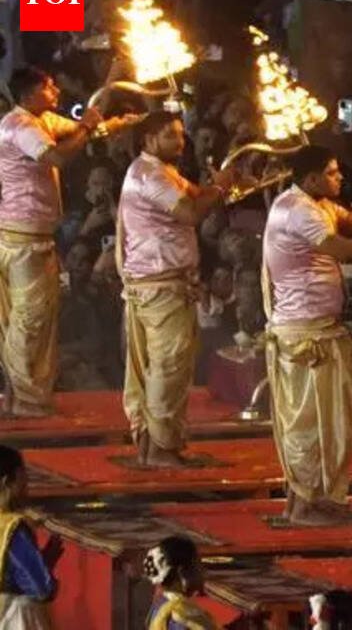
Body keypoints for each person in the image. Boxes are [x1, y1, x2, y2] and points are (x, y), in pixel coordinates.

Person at [262, 145, 352, 526]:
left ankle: (314, 499)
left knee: (333, 420)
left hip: (321, 331)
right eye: (331, 173)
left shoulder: (318, 204)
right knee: (312, 424)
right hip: (307, 336)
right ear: (311, 179)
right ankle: (305, 506)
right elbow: (340, 248)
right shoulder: (299, 210)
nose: (339, 178)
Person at [0, 68, 135, 417]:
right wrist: (89, 127)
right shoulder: (20, 126)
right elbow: (58, 157)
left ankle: (24, 396)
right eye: (48, 87)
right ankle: (25, 399)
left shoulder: (41, 120)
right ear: (29, 94)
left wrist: (112, 112)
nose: (56, 91)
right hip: (23, 238)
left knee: (35, 318)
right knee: (29, 319)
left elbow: (81, 128)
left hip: (33, 235)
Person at [118, 112, 236, 467]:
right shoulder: (150, 175)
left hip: (158, 284)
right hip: (161, 286)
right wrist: (220, 188)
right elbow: (190, 212)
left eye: (182, 134)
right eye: (171, 135)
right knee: (168, 366)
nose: (180, 142)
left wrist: (222, 186)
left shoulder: (158, 171)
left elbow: (197, 195)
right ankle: (160, 448)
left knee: (157, 367)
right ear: (148, 140)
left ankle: (151, 444)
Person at [0, 444, 61, 629]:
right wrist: (44, 565)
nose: (27, 486)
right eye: (22, 478)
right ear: (6, 482)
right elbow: (41, 588)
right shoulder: (11, 527)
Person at [141, 535, 217, 629]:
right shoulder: (182, 612)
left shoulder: (160, 604)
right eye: (198, 564)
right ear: (182, 573)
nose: (203, 570)